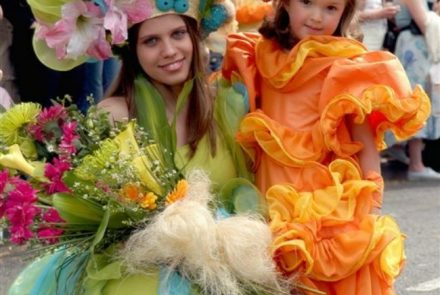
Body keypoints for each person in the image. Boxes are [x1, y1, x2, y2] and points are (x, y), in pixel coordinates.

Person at [8, 1, 289, 295]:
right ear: (132, 52)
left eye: (178, 34)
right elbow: (100, 218)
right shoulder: (116, 114)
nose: (169, 50)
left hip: (221, 268)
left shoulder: (226, 105)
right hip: (142, 272)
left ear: (194, 36)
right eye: (151, 41)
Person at [222, 0, 430, 293]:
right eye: (307, 3)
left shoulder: (343, 63)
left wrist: (370, 191)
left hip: (326, 200)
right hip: (271, 193)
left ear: (345, 13)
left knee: (321, 276)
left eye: (331, 8)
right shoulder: (259, 55)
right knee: (279, 276)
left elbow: (363, 139)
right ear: (285, 3)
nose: (317, 17)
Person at [390, 0, 440, 180]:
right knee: (417, 100)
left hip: (415, 46)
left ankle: (408, 156)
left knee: (417, 99)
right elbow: (424, 22)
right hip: (416, 46)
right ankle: (416, 164)